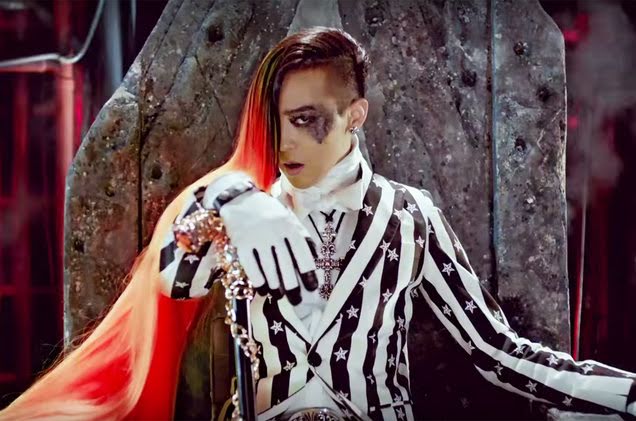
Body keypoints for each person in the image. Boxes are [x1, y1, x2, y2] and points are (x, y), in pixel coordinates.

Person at [1, 27, 635, 421]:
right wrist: (224, 197)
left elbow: (496, 352)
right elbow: (174, 280)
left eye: (308, 119)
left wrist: (624, 394)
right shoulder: (244, 211)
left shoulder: (410, 215)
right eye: (277, 121)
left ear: (355, 115)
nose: (285, 142)